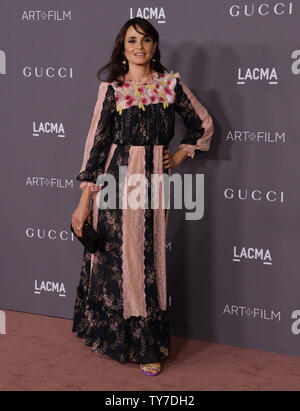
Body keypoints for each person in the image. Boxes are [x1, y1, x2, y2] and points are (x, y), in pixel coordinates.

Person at [71, 17, 214, 376]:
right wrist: (85, 201)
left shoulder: (170, 86)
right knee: (116, 259)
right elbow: (96, 145)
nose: (139, 46)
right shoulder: (110, 90)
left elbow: (202, 123)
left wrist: (179, 155)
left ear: (154, 46)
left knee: (145, 259)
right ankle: (114, 338)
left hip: (152, 182)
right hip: (115, 180)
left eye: (146, 40)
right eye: (132, 40)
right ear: (123, 47)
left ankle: (147, 344)